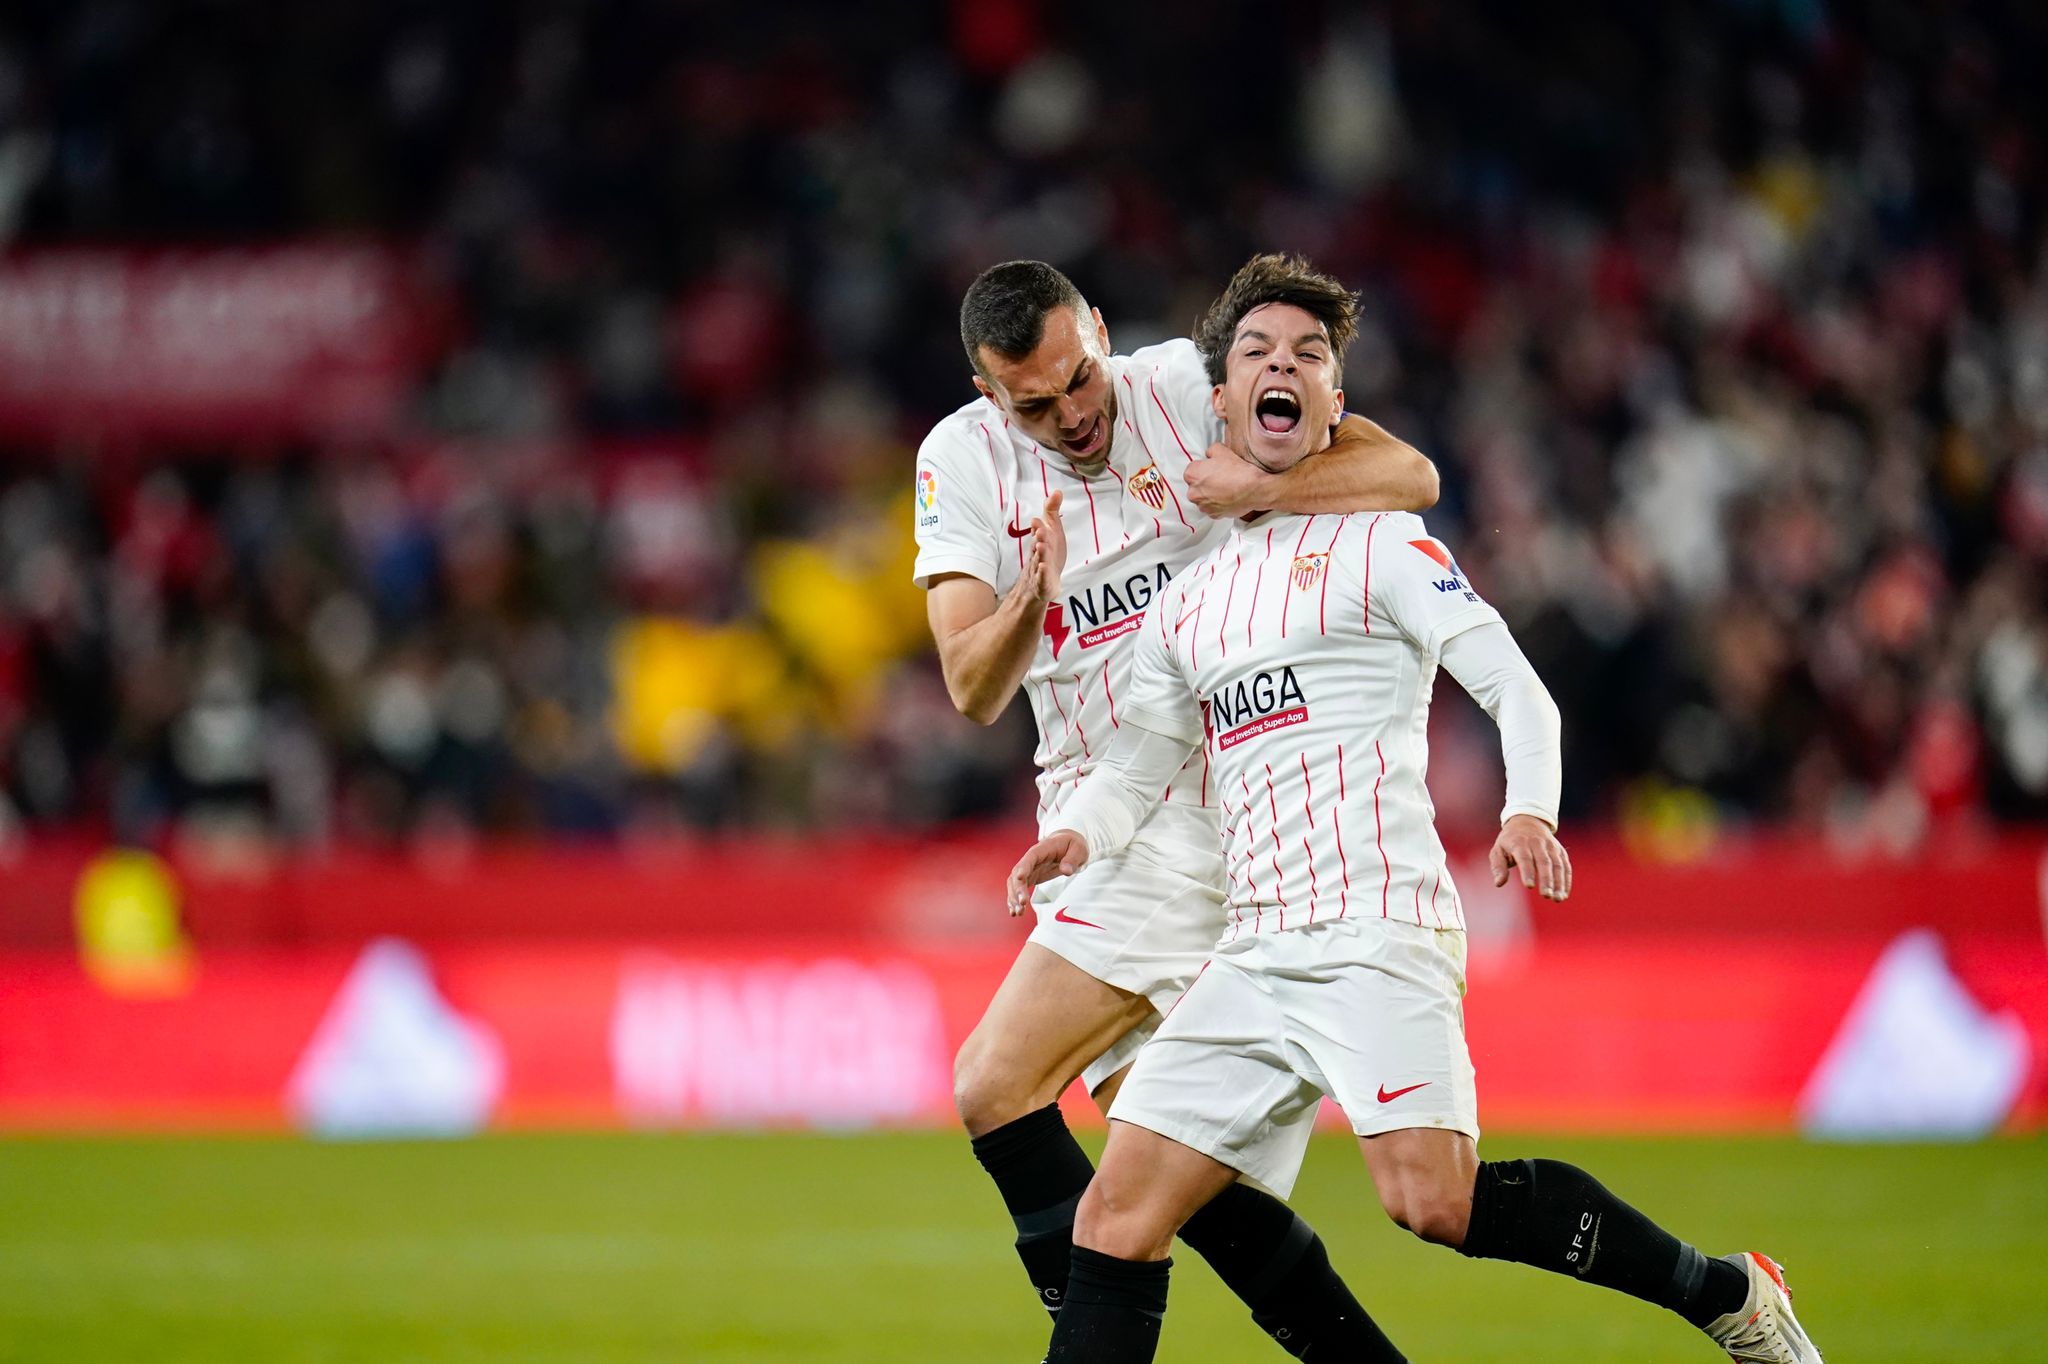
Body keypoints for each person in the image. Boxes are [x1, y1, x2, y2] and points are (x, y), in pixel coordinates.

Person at [1007, 253, 1826, 1364]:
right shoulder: (1190, 593)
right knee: (1115, 1215)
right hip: (1251, 953)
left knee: (1430, 1201)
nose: (1280, 366)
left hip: (1374, 932)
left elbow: (1513, 689)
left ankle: (1725, 1290)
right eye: (1255, 352)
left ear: (1335, 404)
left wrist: (1527, 807)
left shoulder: (1380, 542)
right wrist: (1076, 834)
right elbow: (1142, 757)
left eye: (1308, 355)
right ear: (1220, 400)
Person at [915, 259, 1437, 1356]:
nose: (1071, 417)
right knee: (1176, 1182)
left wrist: (1260, 488)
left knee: (994, 1083)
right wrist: (1028, 593)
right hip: (1090, 812)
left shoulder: (1179, 388)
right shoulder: (958, 463)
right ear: (983, 391)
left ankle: (1085, 1329)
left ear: (1100, 332)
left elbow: (1404, 472)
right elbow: (970, 685)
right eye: (1034, 405)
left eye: (1078, 380)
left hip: (1212, 800)